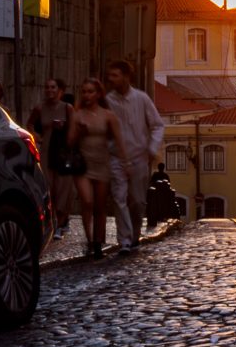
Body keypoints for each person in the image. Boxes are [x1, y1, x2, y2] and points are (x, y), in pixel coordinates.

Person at [106, 59, 165, 251]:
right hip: (116, 157)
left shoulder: (141, 99)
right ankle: (124, 240)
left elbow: (157, 125)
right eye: (110, 75)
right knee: (119, 197)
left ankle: (134, 235)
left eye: (115, 75)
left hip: (139, 156)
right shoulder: (109, 101)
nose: (111, 79)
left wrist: (151, 149)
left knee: (137, 201)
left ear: (126, 77)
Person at [68, 78, 129, 259]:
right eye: (84, 91)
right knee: (87, 201)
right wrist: (79, 132)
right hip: (83, 165)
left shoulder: (108, 116)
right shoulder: (77, 116)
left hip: (102, 164)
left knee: (100, 206)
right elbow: (69, 142)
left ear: (98, 94)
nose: (87, 95)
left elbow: (119, 141)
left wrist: (126, 163)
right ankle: (89, 239)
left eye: (90, 91)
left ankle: (98, 242)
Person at [27, 77, 71, 238]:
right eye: (47, 87)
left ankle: (61, 222)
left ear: (60, 90)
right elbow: (30, 124)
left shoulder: (67, 108)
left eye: (53, 87)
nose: (50, 91)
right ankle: (53, 222)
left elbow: (73, 129)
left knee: (63, 188)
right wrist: (38, 137)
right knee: (49, 186)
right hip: (46, 151)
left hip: (62, 151)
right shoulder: (40, 108)